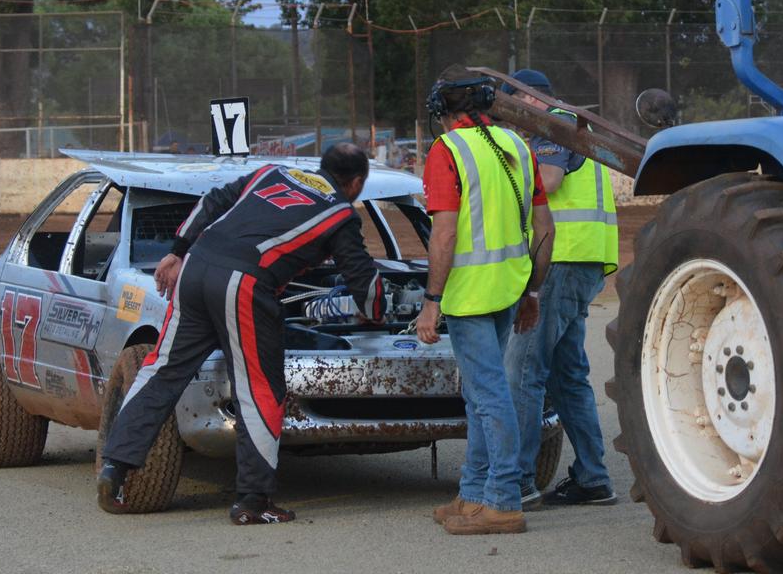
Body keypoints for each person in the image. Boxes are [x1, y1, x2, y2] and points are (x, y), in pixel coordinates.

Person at [97, 142, 385, 525]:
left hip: (195, 268)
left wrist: (178, 249)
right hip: (244, 284)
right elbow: (363, 282)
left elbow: (212, 201)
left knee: (162, 370)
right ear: (357, 183)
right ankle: (253, 500)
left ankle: (114, 467)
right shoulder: (340, 214)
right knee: (259, 390)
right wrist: (374, 312)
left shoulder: (272, 174)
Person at [415, 65, 554, 536]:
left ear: (444, 111)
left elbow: (445, 232)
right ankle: (474, 494)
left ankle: (503, 501)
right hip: (509, 287)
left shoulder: (447, 149)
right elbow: (545, 228)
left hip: (470, 295)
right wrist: (532, 291)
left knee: (490, 397)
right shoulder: (517, 145)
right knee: (480, 397)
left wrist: (431, 299)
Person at [499, 69, 619, 510]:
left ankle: (519, 481)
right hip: (580, 260)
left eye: (512, 107)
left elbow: (546, 181)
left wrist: (497, 183)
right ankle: (593, 478)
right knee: (568, 377)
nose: (510, 120)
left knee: (523, 371)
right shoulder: (572, 123)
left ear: (529, 100)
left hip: (561, 261)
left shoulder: (556, 122)